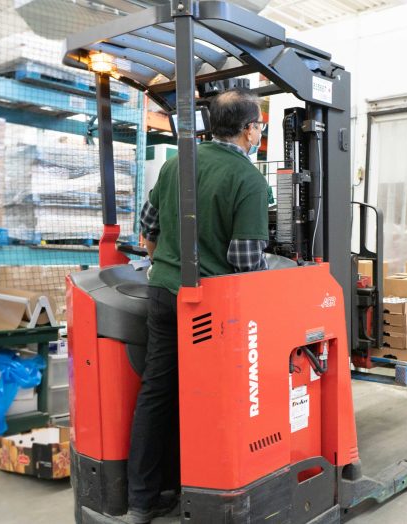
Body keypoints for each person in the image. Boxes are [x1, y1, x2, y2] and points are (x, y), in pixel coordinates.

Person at [123, 88, 270, 523]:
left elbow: (148, 227)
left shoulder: (174, 165)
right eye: (258, 126)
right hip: (215, 308)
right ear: (249, 130)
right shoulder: (249, 181)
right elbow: (245, 261)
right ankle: (210, 491)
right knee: (221, 396)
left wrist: (165, 261)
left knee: (156, 391)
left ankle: (141, 502)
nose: (259, 132)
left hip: (164, 294)